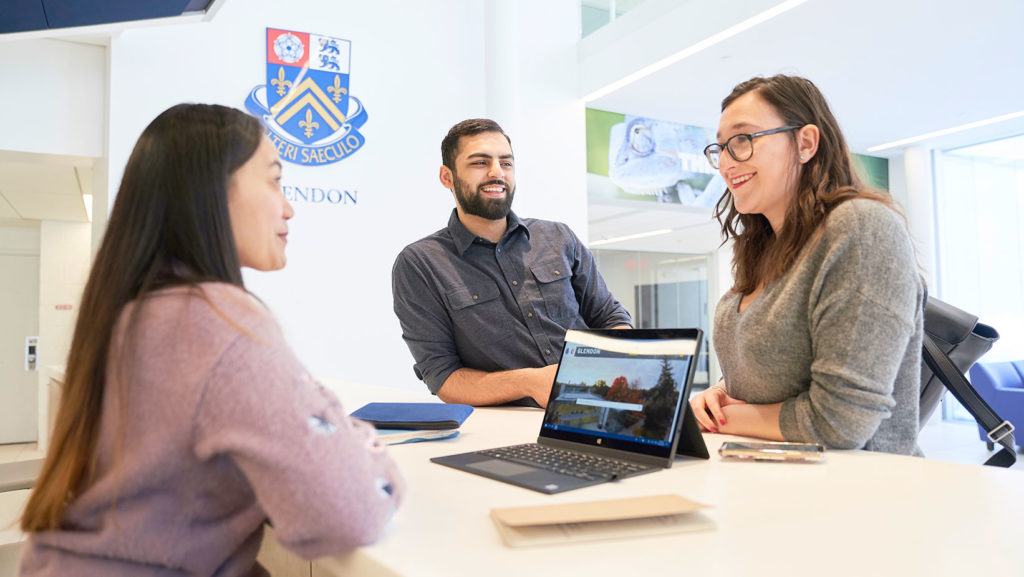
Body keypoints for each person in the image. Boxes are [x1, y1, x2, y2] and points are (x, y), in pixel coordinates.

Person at [19, 104, 403, 575]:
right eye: (275, 180)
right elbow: (348, 510)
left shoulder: (135, 310)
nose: (289, 206)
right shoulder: (213, 320)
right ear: (212, 191)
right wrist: (364, 446)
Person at [689, 75, 924, 455]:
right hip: (767, 487)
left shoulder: (861, 228)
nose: (727, 162)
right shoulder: (761, 249)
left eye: (742, 140)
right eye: (720, 148)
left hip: (859, 499)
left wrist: (723, 419)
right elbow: (768, 373)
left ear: (806, 143)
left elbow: (840, 423)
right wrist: (717, 394)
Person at [392, 119, 632, 408]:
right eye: (480, 163)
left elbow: (610, 317)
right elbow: (443, 376)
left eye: (506, 163)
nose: (497, 173)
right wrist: (530, 382)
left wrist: (626, 370)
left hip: (601, 406)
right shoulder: (420, 263)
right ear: (447, 177)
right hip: (509, 426)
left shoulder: (558, 237)